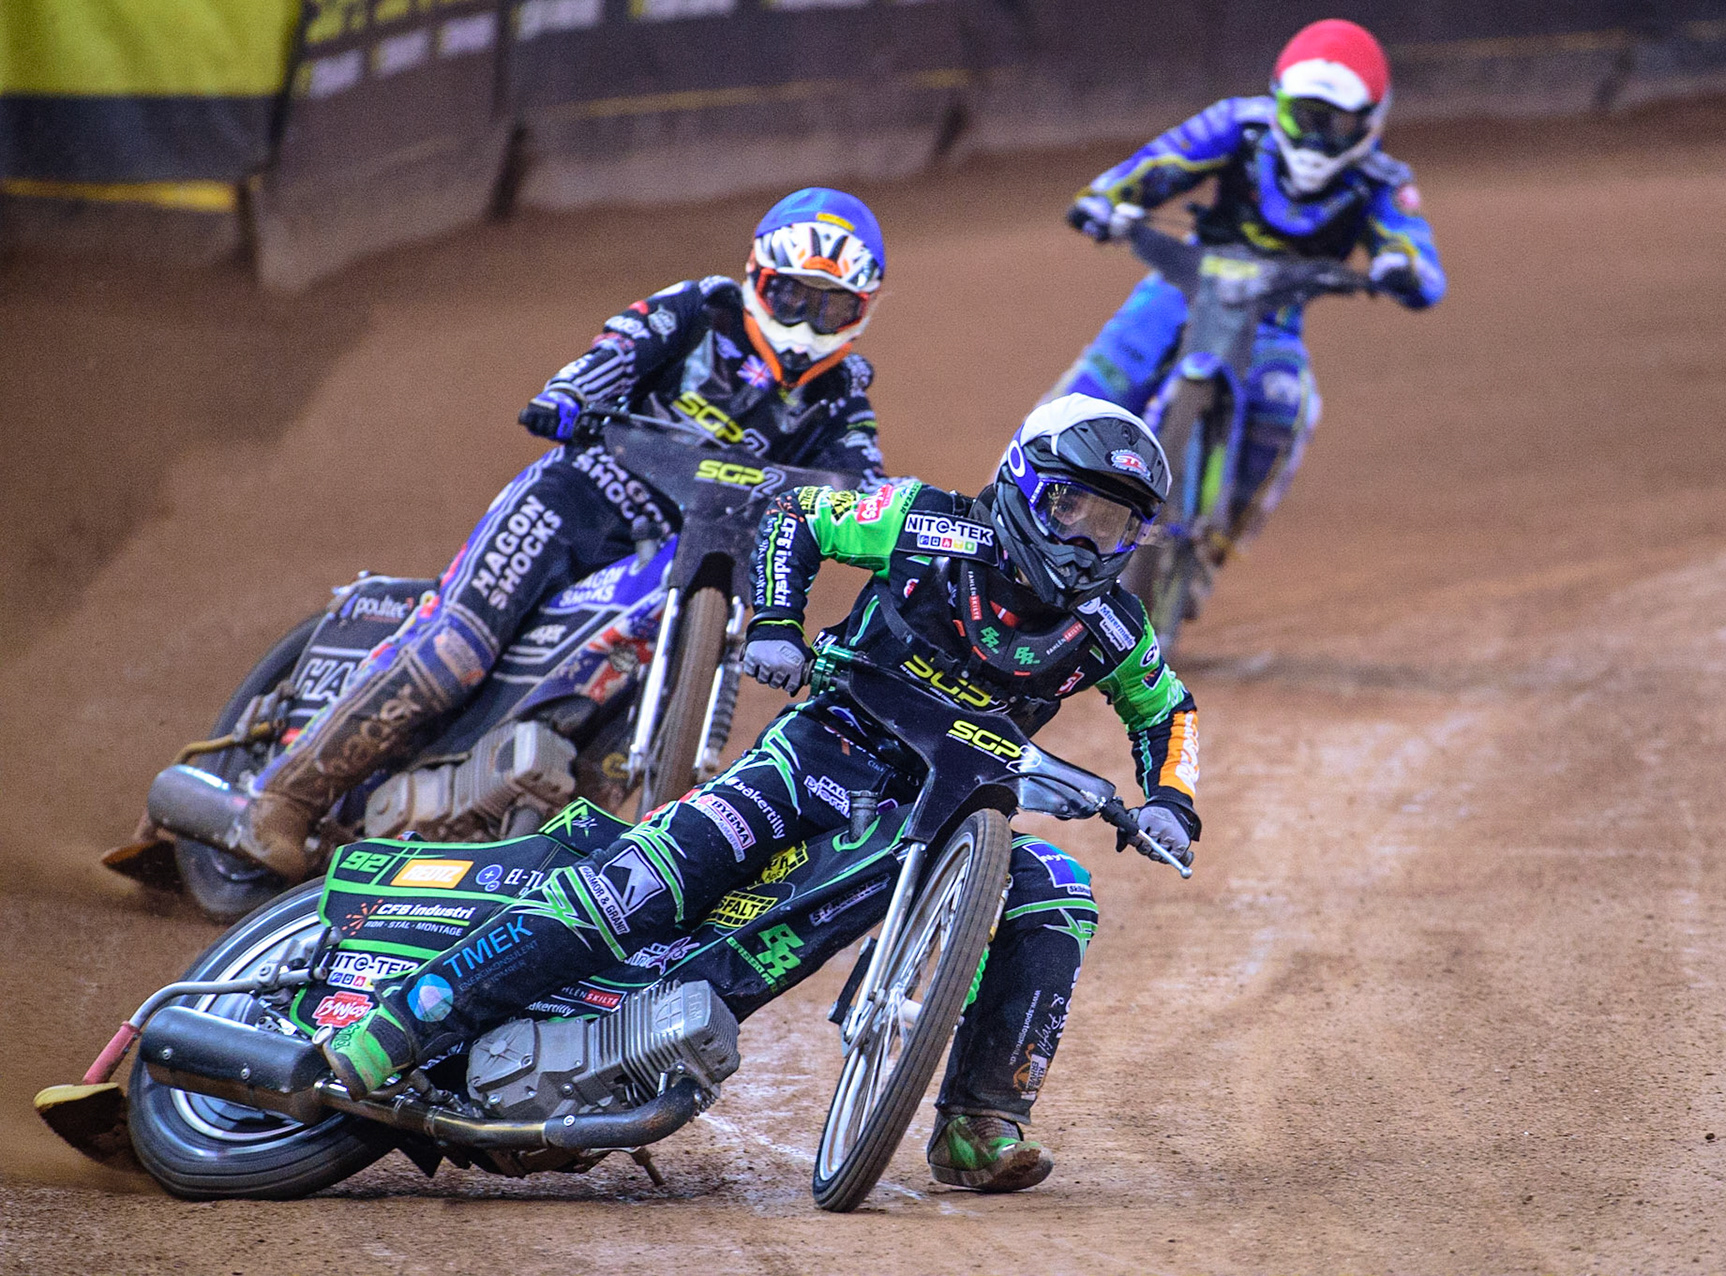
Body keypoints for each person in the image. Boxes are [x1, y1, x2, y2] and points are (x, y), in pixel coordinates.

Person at [322, 393, 1203, 1193]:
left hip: (933, 813)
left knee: (1057, 888)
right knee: (645, 883)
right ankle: (408, 1018)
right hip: (814, 753)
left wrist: (1171, 798)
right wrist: (776, 625)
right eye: (1072, 507)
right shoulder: (928, 523)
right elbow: (801, 517)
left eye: (1114, 524)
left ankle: (980, 1124)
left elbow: (1171, 714)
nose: (1087, 538)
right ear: (1021, 482)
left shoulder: (1113, 626)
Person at [236, 187, 891, 879]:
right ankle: (282, 796)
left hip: (688, 558)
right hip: (578, 504)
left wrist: (890, 531)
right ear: (759, 277)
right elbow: (620, 345)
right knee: (455, 646)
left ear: (863, 310)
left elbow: (864, 485)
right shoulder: (701, 311)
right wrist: (572, 395)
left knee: (635, 710)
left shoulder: (843, 402)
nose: (807, 321)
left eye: (829, 306)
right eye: (793, 296)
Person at [1055, 17, 1445, 552]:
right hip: (1186, 287)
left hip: (1273, 321)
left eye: (1335, 125)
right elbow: (1160, 162)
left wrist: (1403, 269)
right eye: (1304, 117)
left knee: (1287, 409)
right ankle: (1011, 509)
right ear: (1278, 101)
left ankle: (1208, 547)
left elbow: (1416, 254)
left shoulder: (1382, 182)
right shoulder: (1239, 124)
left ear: (1370, 123)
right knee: (1100, 384)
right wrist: (1106, 199)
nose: (1316, 138)